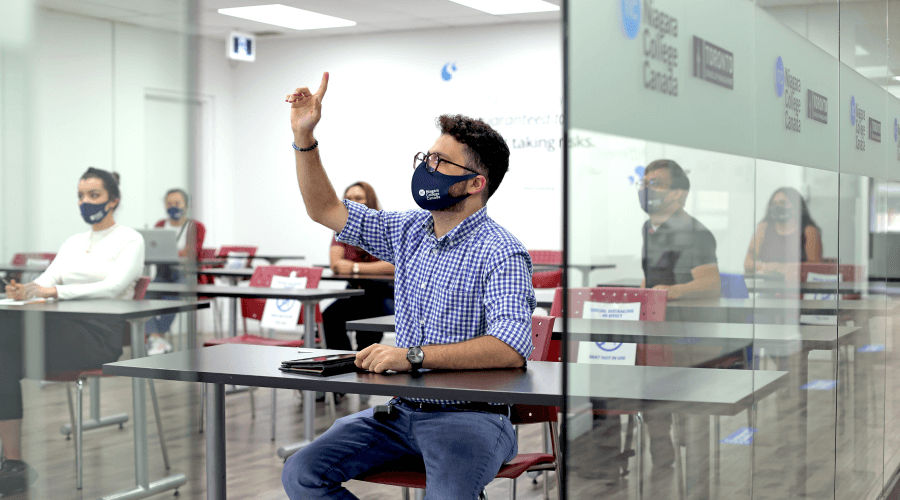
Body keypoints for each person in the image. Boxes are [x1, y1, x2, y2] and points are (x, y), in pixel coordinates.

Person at [280, 73, 535, 500]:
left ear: (476, 183)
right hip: (400, 412)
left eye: (441, 162)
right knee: (302, 473)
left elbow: (510, 347)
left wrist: (411, 356)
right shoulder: (408, 229)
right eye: (427, 157)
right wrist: (304, 137)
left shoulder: (502, 251)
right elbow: (324, 208)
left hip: (473, 417)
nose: (426, 168)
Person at [0, 167, 145, 495]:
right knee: (2, 356)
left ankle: (12, 464)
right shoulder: (73, 243)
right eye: (81, 196)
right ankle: (13, 463)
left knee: (4, 340)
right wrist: (24, 291)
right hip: (59, 330)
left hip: (98, 336)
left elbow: (114, 287)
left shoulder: (130, 240)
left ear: (113, 200)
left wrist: (53, 292)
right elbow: (45, 281)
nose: (85, 201)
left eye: (94, 195)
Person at [322, 182, 396, 354]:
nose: (352, 202)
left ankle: (363, 363)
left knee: (368, 320)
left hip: (383, 294)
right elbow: (336, 264)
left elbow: (394, 265)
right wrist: (375, 267)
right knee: (329, 316)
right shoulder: (341, 230)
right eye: (348, 198)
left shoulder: (384, 227)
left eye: (358, 198)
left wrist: (354, 267)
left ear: (370, 200)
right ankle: (343, 360)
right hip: (354, 293)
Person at [145, 188, 207, 355]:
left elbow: (192, 254)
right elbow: (154, 250)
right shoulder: (160, 225)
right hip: (162, 274)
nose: (173, 206)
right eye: (169, 203)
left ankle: (156, 338)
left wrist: (172, 253)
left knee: (172, 295)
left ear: (186, 205)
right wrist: (178, 252)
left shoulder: (196, 227)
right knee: (143, 294)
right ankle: (156, 338)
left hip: (185, 275)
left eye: (177, 203)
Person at [744, 186, 822, 276]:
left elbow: (815, 267)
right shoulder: (763, 228)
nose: (777, 207)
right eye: (774, 204)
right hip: (768, 282)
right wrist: (771, 267)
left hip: (798, 283)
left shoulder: (809, 231)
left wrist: (786, 268)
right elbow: (748, 263)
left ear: (796, 207)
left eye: (782, 203)